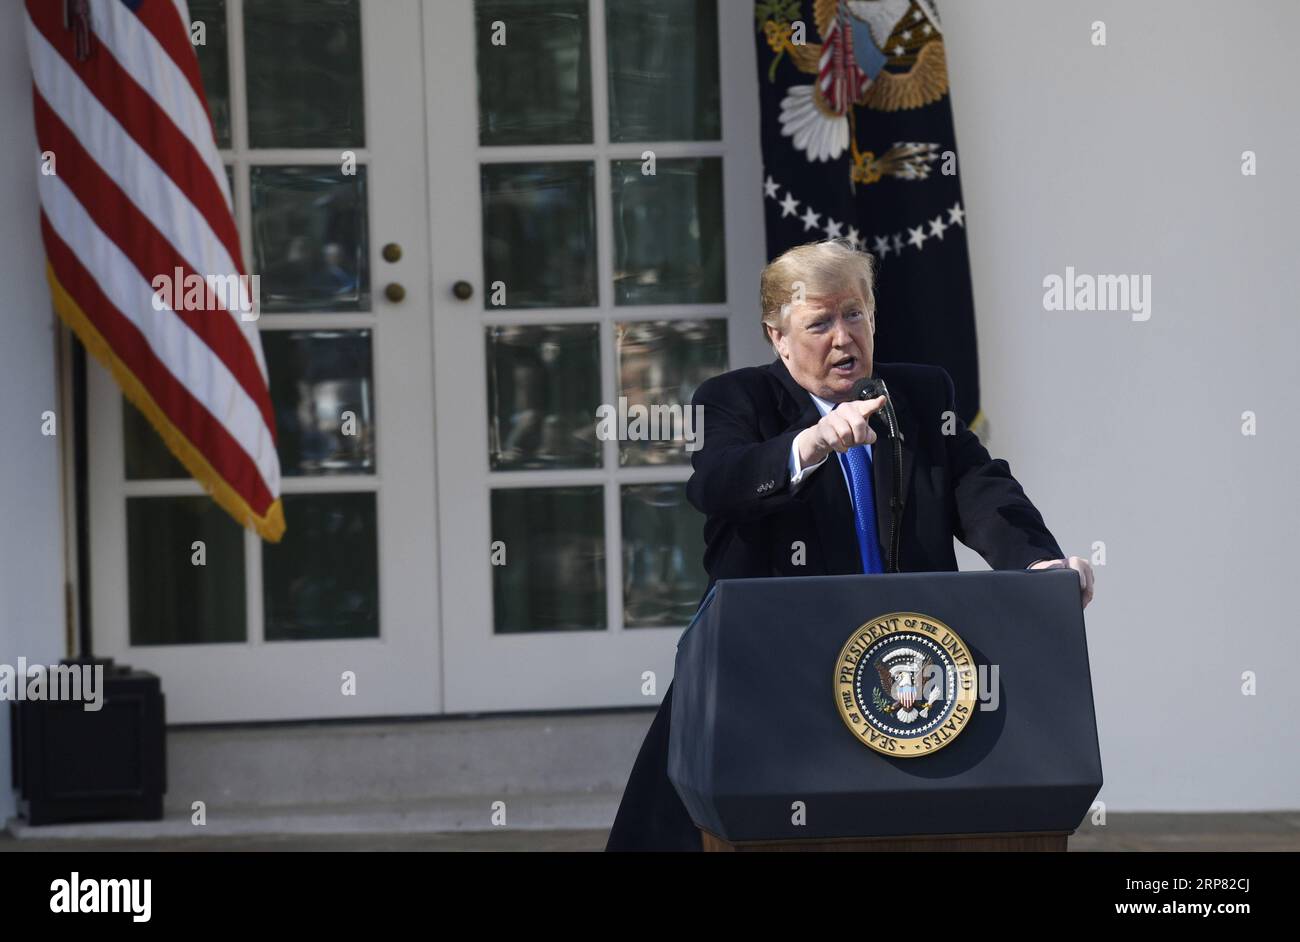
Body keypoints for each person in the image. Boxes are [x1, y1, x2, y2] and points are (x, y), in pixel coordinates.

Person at [605, 239, 1094, 852]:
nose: (843, 337)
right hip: (768, 668)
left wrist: (1036, 563)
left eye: (855, 314)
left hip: (900, 670)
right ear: (777, 337)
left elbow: (981, 488)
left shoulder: (919, 396)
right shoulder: (734, 399)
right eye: (820, 323)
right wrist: (809, 445)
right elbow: (718, 484)